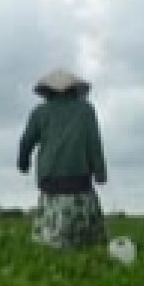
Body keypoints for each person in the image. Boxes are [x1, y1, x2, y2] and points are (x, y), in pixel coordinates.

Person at [17, 69, 109, 249]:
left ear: (47, 92)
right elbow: (94, 143)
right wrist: (100, 173)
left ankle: (56, 245)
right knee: (87, 238)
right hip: (79, 178)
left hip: (50, 179)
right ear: (75, 90)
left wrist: (23, 163)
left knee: (52, 234)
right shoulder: (86, 110)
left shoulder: (39, 112)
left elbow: (26, 141)